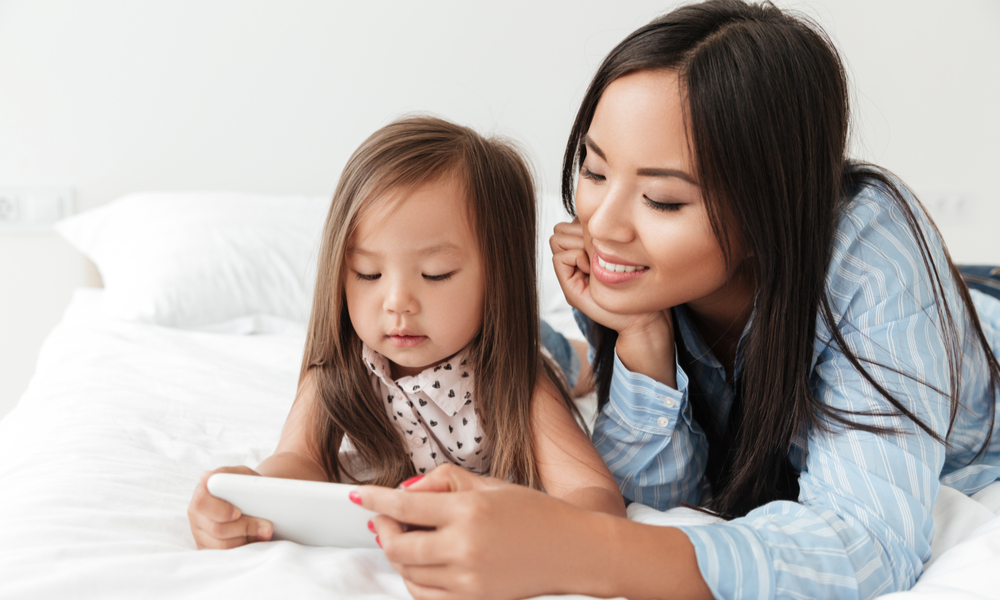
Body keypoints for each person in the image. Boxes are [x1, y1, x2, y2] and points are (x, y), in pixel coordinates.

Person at [355, 2, 1000, 599]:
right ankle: (570, 351)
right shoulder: (637, 269)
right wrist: (642, 344)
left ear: (768, 208)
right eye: (595, 170)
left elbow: (869, 544)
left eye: (662, 200)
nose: (602, 224)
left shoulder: (874, 259)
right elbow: (659, 495)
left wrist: (580, 549)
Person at [186, 116, 626, 550]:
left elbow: (593, 495)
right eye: (368, 272)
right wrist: (252, 493)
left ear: (499, 279)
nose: (396, 302)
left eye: (435, 274)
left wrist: (531, 531)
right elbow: (301, 459)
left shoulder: (519, 383)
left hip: (518, 345)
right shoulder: (337, 373)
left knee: (581, 363)